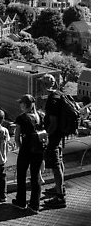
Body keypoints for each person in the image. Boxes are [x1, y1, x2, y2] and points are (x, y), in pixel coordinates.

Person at [12, 94, 45, 213]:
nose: (20, 105)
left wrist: (21, 148)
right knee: (35, 176)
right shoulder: (41, 115)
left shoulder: (22, 118)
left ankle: (21, 201)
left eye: (21, 103)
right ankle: (34, 204)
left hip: (26, 149)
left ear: (25, 105)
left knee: (21, 175)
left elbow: (16, 138)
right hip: (39, 150)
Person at [42, 74, 66, 208]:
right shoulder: (59, 93)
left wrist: (46, 135)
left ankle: (60, 197)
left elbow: (53, 123)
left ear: (45, 85)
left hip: (54, 136)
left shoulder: (52, 99)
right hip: (60, 135)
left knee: (56, 165)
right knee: (60, 161)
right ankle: (60, 188)